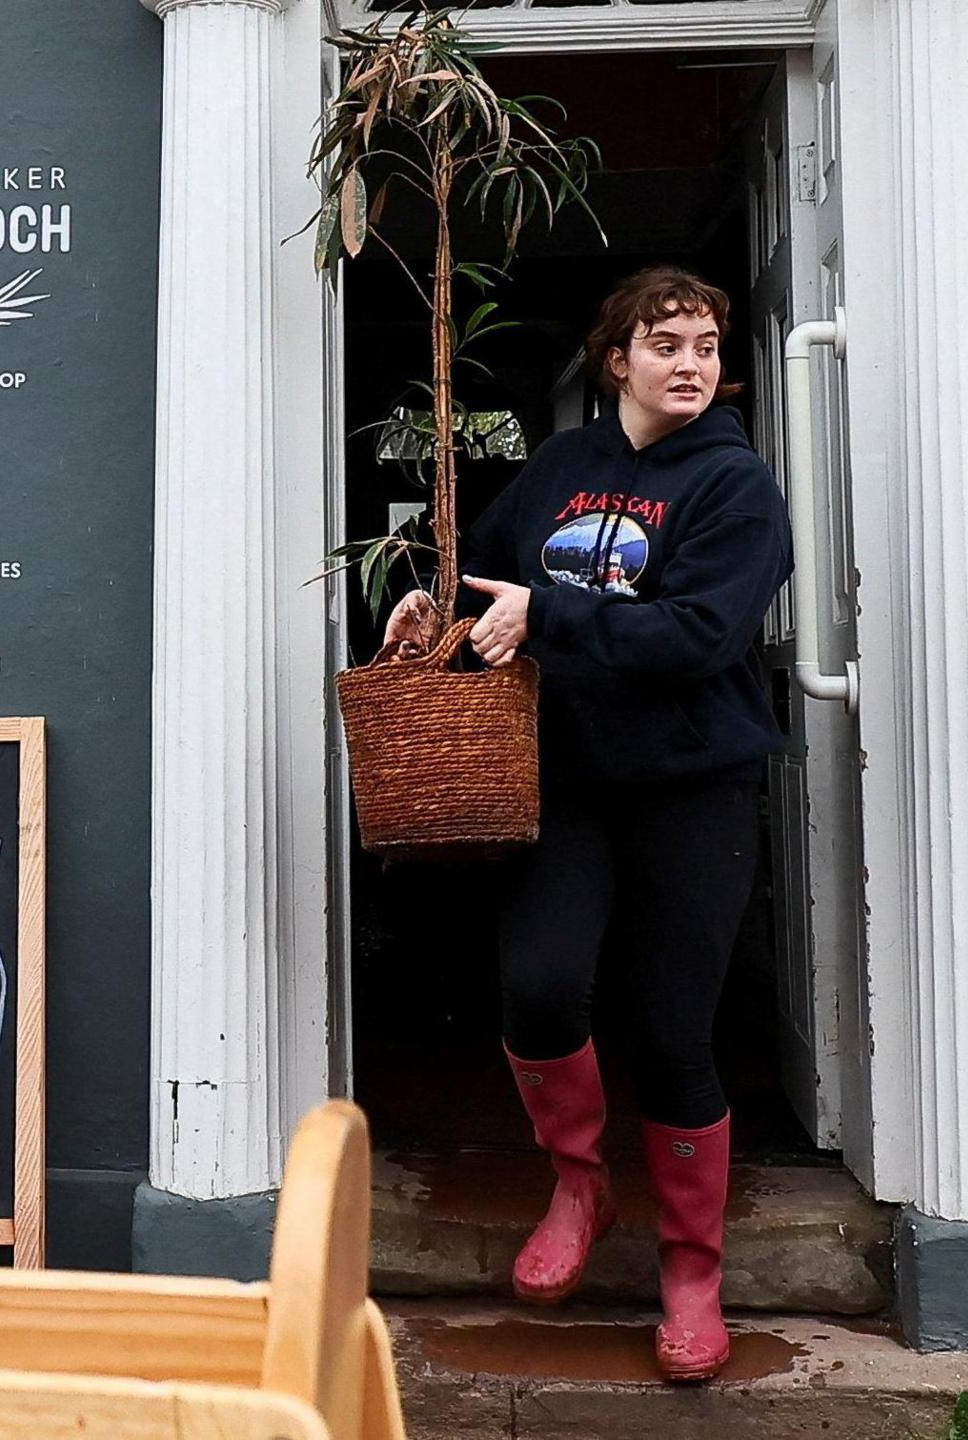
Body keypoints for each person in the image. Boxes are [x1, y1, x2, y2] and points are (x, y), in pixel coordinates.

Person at [382, 266, 792, 1383]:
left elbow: (700, 634)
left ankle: (692, 1268)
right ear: (616, 360)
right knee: (540, 987)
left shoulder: (734, 486)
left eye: (705, 345)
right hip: (564, 781)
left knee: (670, 1030)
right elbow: (486, 566)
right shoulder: (563, 468)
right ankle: (578, 1182)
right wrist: (437, 600)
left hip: (691, 789)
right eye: (666, 343)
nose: (690, 364)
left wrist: (547, 611)